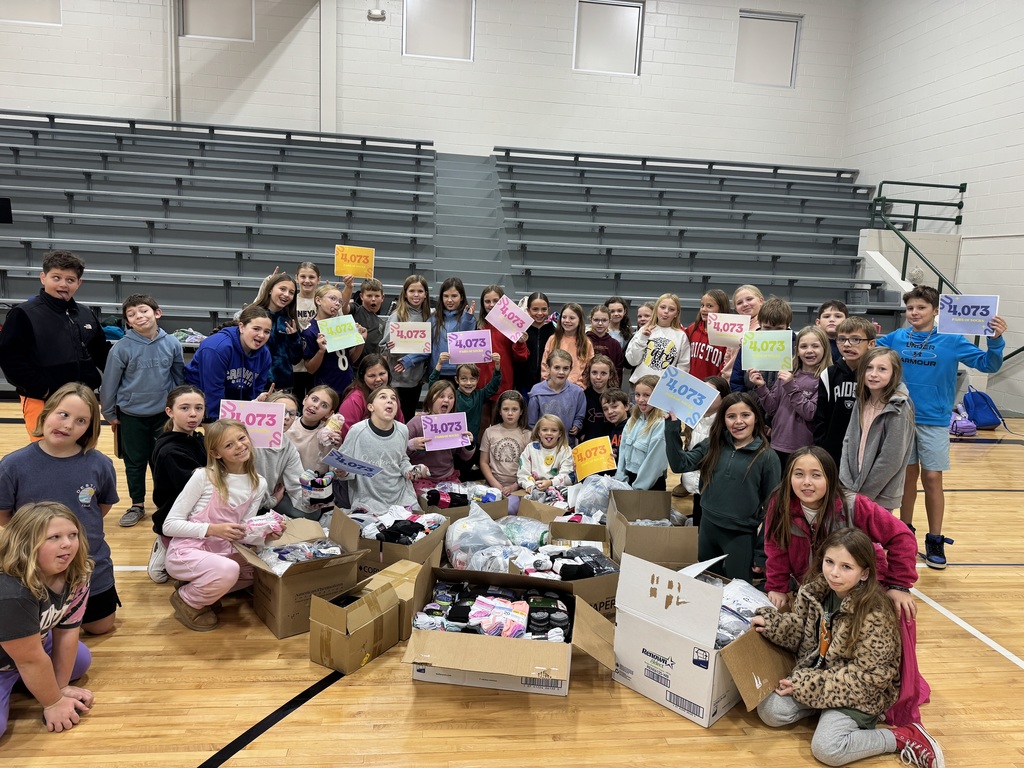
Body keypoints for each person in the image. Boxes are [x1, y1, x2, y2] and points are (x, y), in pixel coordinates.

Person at [752, 528, 945, 768]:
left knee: (828, 749)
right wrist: (773, 624)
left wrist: (808, 686)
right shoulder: (814, 590)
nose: (834, 573)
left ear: (864, 573)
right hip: (819, 678)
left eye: (846, 567)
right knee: (770, 710)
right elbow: (800, 629)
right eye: (830, 562)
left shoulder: (875, 613)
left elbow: (870, 679)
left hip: (857, 693)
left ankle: (902, 737)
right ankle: (824, 711)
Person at [877, 284, 1008, 568]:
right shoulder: (896, 338)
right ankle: (904, 533)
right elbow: (866, 351)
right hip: (901, 418)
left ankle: (935, 538)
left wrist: (996, 340)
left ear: (936, 311)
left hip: (934, 421)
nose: (914, 312)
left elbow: (988, 364)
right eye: (910, 308)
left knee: (933, 478)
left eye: (921, 308)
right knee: (907, 478)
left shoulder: (952, 339)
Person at [0, 384, 119, 635]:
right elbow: (5, 516)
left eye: (80, 420)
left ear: (90, 428)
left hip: (89, 564)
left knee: (101, 627)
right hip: (36, 568)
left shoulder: (100, 464)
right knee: (39, 629)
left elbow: (101, 507)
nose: (67, 425)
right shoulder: (13, 465)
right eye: (63, 414)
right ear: (46, 413)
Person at [763, 446, 918, 620]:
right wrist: (777, 587)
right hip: (814, 591)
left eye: (816, 475)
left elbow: (902, 537)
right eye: (799, 474)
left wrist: (899, 585)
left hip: (859, 591)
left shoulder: (853, 505)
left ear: (829, 478)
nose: (807, 482)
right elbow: (776, 548)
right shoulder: (780, 505)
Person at [164, 420, 274, 632]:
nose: (239, 446)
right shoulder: (204, 476)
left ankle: (200, 585)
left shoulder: (258, 483)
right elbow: (169, 525)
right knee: (229, 570)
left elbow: (243, 530)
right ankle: (188, 599)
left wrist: (267, 534)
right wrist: (212, 529)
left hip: (223, 551)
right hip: (188, 550)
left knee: (263, 572)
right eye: (229, 445)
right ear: (215, 453)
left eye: (241, 438)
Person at [0, 502, 95, 736]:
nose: (67, 543)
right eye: (54, 537)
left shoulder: (77, 574)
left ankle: (27, 680)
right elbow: (30, 660)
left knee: (80, 659)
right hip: (12, 658)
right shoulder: (11, 592)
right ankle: (20, 679)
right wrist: (53, 703)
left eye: (73, 534)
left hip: (24, 650)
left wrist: (60, 688)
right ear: (26, 544)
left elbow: (68, 630)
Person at [664, 392, 781, 580]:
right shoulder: (713, 445)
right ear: (723, 420)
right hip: (707, 528)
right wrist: (671, 428)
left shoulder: (767, 457)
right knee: (706, 583)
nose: (738, 421)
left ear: (756, 419)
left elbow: (773, 509)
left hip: (740, 535)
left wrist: (761, 552)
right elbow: (680, 464)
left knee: (737, 588)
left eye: (745, 415)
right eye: (731, 416)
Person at [0, 249, 109, 437]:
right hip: (42, 399)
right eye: (56, 277)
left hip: (82, 400)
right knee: (46, 454)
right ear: (43, 277)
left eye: (70, 280)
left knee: (81, 452)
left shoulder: (85, 314)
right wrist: (43, 390)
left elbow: (102, 354)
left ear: (78, 283)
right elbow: (11, 360)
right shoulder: (24, 314)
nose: (63, 284)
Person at [100, 294, 185, 528]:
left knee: (163, 461)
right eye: (132, 314)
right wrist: (109, 413)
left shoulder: (172, 343)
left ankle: (164, 503)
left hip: (162, 415)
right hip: (131, 416)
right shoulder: (122, 348)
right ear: (127, 322)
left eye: (143, 310)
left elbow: (178, 377)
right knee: (134, 462)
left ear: (157, 313)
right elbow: (110, 383)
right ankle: (137, 504)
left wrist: (181, 409)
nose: (139, 316)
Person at [839, 348, 916, 512]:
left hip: (878, 496)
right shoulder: (861, 400)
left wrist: (863, 495)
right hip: (851, 490)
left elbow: (891, 460)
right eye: (869, 367)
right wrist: (846, 482)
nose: (873, 374)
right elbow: (848, 440)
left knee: (872, 538)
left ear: (894, 373)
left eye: (882, 369)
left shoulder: (899, 409)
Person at [147, 385, 208, 584]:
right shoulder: (171, 451)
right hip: (175, 515)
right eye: (185, 408)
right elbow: (199, 489)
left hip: (192, 511)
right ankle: (164, 542)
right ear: (169, 412)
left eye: (199, 408)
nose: (193, 414)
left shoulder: (195, 438)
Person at [751, 325, 831, 469]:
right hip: (777, 443)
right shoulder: (787, 374)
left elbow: (810, 413)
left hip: (803, 448)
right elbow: (772, 409)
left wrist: (790, 386)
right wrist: (761, 387)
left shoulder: (825, 379)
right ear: (797, 351)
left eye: (815, 346)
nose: (809, 350)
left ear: (824, 349)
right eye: (804, 346)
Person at [340, 387, 425, 510]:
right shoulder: (357, 431)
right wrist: (343, 472)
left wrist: (412, 470)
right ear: (371, 407)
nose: (390, 401)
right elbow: (343, 464)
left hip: (402, 497)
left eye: (393, 398)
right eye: (383, 397)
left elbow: (402, 460)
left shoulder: (402, 430)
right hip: (368, 500)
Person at [184, 305, 273, 421]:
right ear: (241, 327)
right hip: (201, 404)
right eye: (256, 329)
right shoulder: (217, 347)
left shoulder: (264, 354)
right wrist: (218, 422)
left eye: (267, 331)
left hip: (231, 405)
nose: (261, 335)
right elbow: (212, 391)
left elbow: (255, 392)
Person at [813, 316, 878, 467]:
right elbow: (821, 417)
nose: (847, 344)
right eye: (842, 339)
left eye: (855, 339)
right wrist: (821, 447)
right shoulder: (828, 374)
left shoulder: (875, 376)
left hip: (865, 448)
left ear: (871, 344)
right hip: (833, 449)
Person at [394, 276, 475, 381]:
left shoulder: (469, 319)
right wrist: (409, 359)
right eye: (446, 296)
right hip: (437, 371)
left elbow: (466, 346)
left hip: (460, 374)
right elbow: (425, 348)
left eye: (454, 296)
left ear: (462, 297)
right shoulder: (433, 319)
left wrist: (467, 320)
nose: (449, 300)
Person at [672, 375, 731, 513]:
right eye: (702, 392)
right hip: (695, 479)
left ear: (723, 399)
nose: (704, 397)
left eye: (710, 394)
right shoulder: (693, 418)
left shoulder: (726, 424)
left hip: (713, 485)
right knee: (697, 510)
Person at [406, 380, 475, 492]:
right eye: (441, 396)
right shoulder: (417, 422)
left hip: (448, 475)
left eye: (451, 397)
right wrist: (412, 445)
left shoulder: (455, 424)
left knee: (459, 502)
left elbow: (465, 456)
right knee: (428, 503)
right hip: (421, 477)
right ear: (430, 399)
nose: (446, 400)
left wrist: (469, 444)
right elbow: (398, 452)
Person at [475, 285, 529, 430]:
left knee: (500, 426)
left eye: (496, 301)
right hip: (480, 385)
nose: (491, 305)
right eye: (487, 301)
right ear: (482, 304)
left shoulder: (510, 327)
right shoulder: (478, 326)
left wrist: (520, 342)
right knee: (481, 425)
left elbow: (521, 357)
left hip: (503, 384)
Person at [301, 283, 366, 400]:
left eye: (340, 301)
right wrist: (321, 351)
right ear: (318, 300)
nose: (337, 303)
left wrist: (361, 341)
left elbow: (350, 359)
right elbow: (310, 369)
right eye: (332, 299)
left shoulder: (341, 325)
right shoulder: (310, 331)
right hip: (327, 390)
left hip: (348, 386)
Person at [381, 275, 432, 422]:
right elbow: (383, 348)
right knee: (395, 418)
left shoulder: (429, 316)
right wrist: (388, 347)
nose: (416, 295)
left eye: (420, 291)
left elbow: (429, 348)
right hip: (397, 378)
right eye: (412, 291)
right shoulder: (397, 316)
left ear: (425, 294)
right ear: (405, 293)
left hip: (417, 379)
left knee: (409, 416)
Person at [254, 392, 309, 519]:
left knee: (311, 512)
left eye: (292, 414)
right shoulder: (247, 438)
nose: (287, 417)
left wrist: (314, 498)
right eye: (282, 411)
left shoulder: (288, 447)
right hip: (235, 504)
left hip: (263, 504)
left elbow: (297, 483)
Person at [250, 272, 304, 390]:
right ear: (270, 290)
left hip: (283, 385)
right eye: (282, 289)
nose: (286, 295)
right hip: (254, 383)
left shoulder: (290, 320)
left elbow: (295, 359)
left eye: (291, 292)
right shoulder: (254, 315)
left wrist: (294, 337)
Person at [613, 375, 668, 491]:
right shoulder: (633, 420)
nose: (641, 399)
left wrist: (638, 489)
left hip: (650, 485)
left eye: (647, 395)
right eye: (637, 395)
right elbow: (623, 450)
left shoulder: (660, 424)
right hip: (629, 479)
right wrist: (620, 478)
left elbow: (654, 463)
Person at [625, 292, 690, 383]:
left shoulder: (681, 336)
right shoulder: (644, 330)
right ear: (656, 309)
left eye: (671, 309)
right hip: (639, 384)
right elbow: (632, 361)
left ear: (676, 313)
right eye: (662, 307)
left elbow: (683, 366)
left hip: (663, 387)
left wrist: (671, 384)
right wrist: (642, 339)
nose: (666, 311)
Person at [337, 354, 404, 441]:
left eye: (382, 374)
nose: (378, 379)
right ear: (362, 377)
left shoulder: (391, 397)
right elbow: (347, 435)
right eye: (372, 376)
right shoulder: (353, 400)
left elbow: (400, 427)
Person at [731, 294, 788, 394]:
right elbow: (736, 381)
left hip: (784, 406)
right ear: (760, 324)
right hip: (753, 403)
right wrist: (744, 402)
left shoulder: (796, 347)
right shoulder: (748, 345)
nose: (772, 333)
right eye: (767, 328)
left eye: (779, 329)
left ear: (788, 325)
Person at [479, 391, 531, 497]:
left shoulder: (528, 435)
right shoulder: (490, 432)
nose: (510, 413)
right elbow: (484, 462)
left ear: (521, 411)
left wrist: (515, 486)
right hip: (492, 485)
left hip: (519, 487)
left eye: (514, 409)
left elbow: (531, 467)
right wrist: (495, 484)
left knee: (511, 509)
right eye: (506, 409)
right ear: (499, 411)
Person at [527, 349, 586, 440]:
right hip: (543, 445)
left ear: (570, 369)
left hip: (567, 445)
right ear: (548, 368)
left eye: (565, 368)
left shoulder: (577, 392)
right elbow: (532, 423)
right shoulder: (537, 391)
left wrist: (577, 425)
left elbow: (580, 415)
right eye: (557, 368)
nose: (561, 372)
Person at [286, 385, 342, 475]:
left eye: (324, 405)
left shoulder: (327, 435)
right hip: (285, 486)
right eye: (314, 399)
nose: (316, 405)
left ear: (329, 413)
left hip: (315, 486)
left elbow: (335, 471)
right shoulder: (287, 424)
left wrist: (336, 448)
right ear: (305, 399)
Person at [517, 414, 575, 496]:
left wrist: (551, 483)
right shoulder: (530, 448)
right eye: (544, 430)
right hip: (532, 490)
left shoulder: (565, 450)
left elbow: (567, 475)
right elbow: (522, 472)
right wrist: (529, 485)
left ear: (560, 433)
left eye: (554, 430)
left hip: (557, 492)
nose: (549, 433)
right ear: (539, 432)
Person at [685, 289, 735, 381]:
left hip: (713, 387)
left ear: (721, 308)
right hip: (689, 385)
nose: (704, 309)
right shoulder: (693, 329)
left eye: (709, 306)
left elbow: (726, 366)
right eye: (702, 305)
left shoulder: (728, 335)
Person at [541, 302, 594, 388]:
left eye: (572, 318)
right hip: (552, 388)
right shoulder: (553, 339)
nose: (567, 321)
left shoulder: (586, 343)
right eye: (564, 317)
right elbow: (545, 365)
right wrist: (548, 384)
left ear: (579, 320)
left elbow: (589, 369)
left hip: (576, 389)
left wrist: (581, 386)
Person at [516, 291, 555, 398]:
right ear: (528, 310)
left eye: (544, 309)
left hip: (547, 385)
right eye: (535, 309)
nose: (539, 313)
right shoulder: (521, 331)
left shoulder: (554, 332)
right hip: (523, 384)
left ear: (548, 310)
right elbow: (517, 358)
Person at [581, 354, 618, 441]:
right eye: (594, 373)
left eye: (603, 373)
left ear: (610, 375)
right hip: (588, 445)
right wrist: (582, 436)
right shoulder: (582, 396)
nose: (598, 377)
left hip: (611, 446)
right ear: (589, 373)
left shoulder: (617, 397)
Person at [587, 305, 626, 385]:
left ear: (609, 321)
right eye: (596, 320)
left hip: (608, 389)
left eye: (604, 320)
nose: (600, 323)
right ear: (591, 320)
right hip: (585, 388)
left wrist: (615, 390)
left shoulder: (615, 344)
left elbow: (618, 371)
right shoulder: (583, 341)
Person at [347, 277, 387, 352]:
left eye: (377, 296)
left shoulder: (383, 324)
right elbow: (344, 307)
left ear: (382, 297)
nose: (373, 299)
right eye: (369, 296)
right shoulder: (355, 310)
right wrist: (348, 287)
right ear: (361, 296)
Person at [597, 388, 630, 464]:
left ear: (626, 406)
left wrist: (618, 456)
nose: (610, 412)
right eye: (605, 409)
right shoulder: (608, 429)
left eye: (614, 406)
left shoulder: (632, 428)